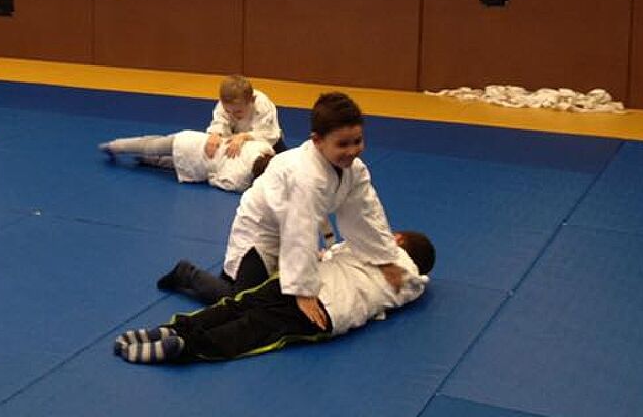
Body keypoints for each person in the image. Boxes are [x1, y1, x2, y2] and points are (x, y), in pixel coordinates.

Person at [181, 92, 402, 333]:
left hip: (290, 224)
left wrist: (383, 258)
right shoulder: (305, 176)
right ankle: (186, 274)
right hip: (260, 229)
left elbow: (366, 213)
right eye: (342, 144)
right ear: (317, 141)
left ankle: (225, 276)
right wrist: (302, 290)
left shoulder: (354, 170)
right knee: (242, 300)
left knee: (256, 292)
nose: (352, 151)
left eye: (357, 141)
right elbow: (299, 229)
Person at [114, 231, 434, 364]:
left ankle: (172, 329)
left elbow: (335, 250)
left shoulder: (373, 243)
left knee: (239, 305)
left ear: (398, 238)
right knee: (255, 328)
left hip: (300, 282)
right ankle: (185, 347)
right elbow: (410, 287)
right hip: (329, 311)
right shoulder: (412, 283)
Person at [99, 130, 274, 192]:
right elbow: (217, 181)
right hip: (195, 158)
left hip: (195, 141)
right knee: (164, 158)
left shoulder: (263, 148)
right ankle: (117, 147)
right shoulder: (241, 181)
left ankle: (117, 146)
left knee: (152, 145)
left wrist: (240, 138)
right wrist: (213, 174)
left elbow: (253, 137)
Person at [205, 74, 285, 158]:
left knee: (282, 161)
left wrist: (244, 136)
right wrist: (215, 134)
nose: (232, 115)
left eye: (238, 111)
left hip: (269, 141)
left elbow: (268, 134)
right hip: (235, 137)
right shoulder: (225, 104)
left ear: (251, 101)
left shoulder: (262, 105)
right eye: (227, 111)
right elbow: (219, 122)